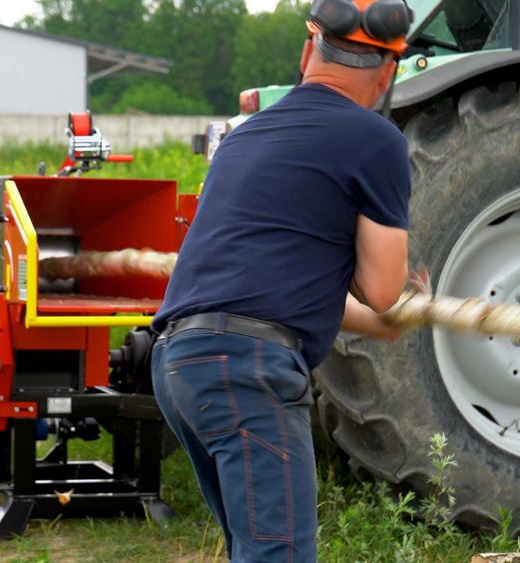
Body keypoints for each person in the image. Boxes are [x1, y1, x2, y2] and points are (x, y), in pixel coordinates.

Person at [151, 1, 418, 560]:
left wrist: (377, 328)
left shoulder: (247, 135)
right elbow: (384, 288)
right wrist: (398, 307)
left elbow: (277, 282)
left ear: (307, 52)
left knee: (255, 549)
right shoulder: (376, 139)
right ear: (388, 71)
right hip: (244, 369)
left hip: (179, 362)